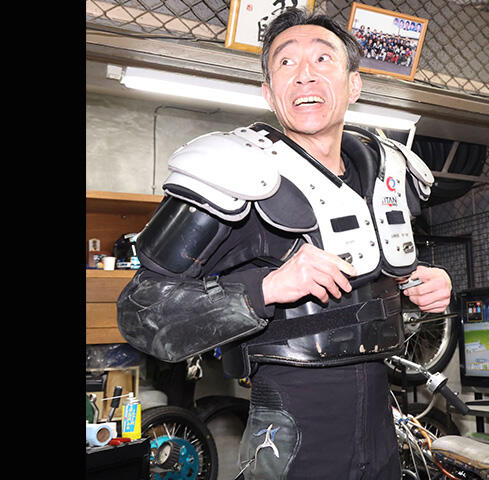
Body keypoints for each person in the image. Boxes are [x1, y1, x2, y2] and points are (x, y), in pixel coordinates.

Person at [117, 8, 452, 480]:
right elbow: (140, 311)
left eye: (322, 58)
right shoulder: (235, 173)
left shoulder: (388, 174)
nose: (304, 75)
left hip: (381, 421)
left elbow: (377, 282)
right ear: (269, 92)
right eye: (286, 63)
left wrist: (423, 285)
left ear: (354, 84)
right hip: (292, 426)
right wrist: (267, 288)